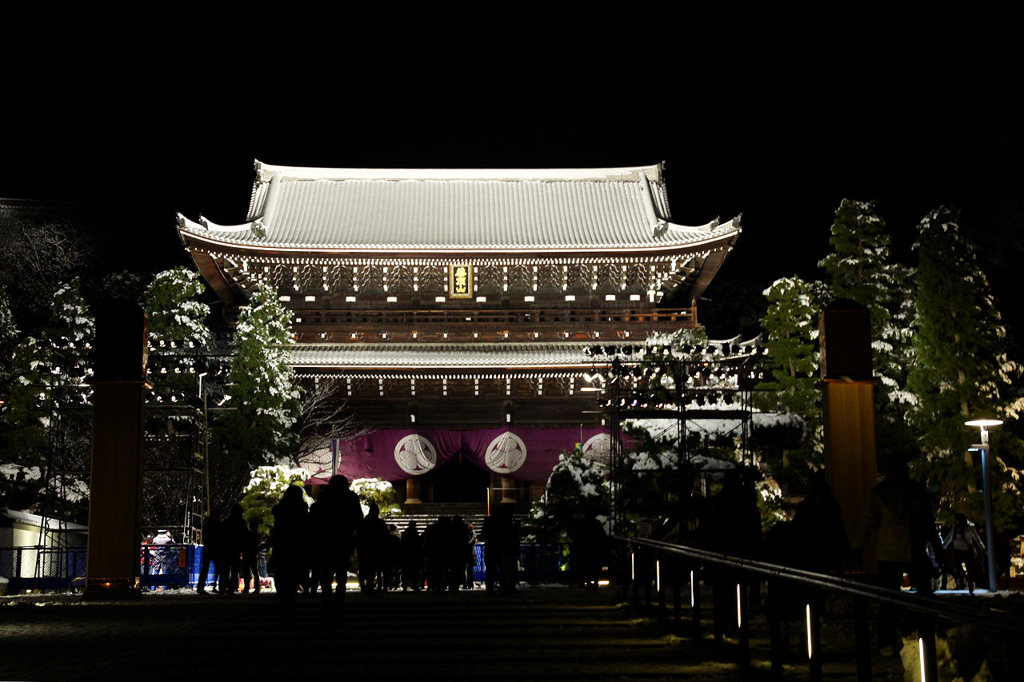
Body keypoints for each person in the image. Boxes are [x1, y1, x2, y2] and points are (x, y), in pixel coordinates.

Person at [858, 456, 942, 651]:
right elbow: (927, 522)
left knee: (892, 600)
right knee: (912, 598)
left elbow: (867, 522)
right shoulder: (913, 492)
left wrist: (858, 546)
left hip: (897, 552)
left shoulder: (883, 493)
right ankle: (922, 634)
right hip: (905, 551)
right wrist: (936, 548)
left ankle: (896, 639)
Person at [309, 475, 363, 606]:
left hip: (327, 540)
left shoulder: (324, 497)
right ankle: (339, 597)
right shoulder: (351, 498)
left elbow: (315, 519)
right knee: (341, 572)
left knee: (327, 573)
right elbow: (358, 519)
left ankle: (327, 597)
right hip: (343, 539)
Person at [271, 485, 309, 611]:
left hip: (282, 545)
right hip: (297, 545)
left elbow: (277, 528)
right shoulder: (302, 508)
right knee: (294, 573)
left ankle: (284, 598)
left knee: (282, 572)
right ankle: (292, 599)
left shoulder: (280, 509)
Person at [942, 512, 985, 593]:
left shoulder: (970, 527)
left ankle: (970, 586)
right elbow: (950, 537)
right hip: (958, 550)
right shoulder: (955, 527)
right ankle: (963, 581)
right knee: (958, 568)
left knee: (969, 568)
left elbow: (976, 538)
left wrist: (982, 547)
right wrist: (944, 546)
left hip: (967, 550)